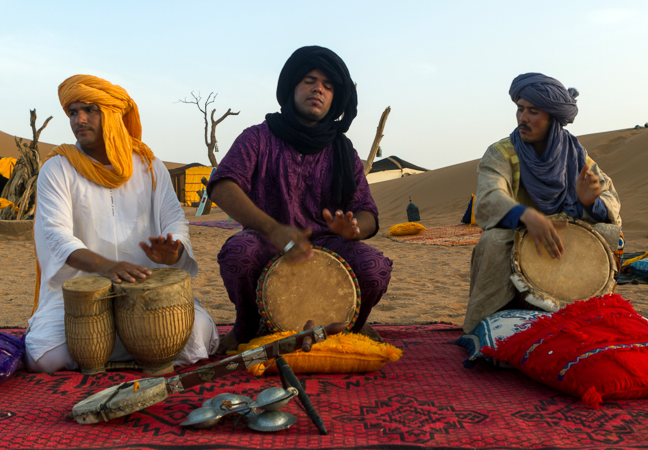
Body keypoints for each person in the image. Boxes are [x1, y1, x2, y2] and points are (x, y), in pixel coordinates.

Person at [25, 75, 219, 372]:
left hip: (148, 290)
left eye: (90, 109)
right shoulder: (58, 168)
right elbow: (55, 235)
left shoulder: (149, 166)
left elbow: (175, 220)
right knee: (45, 355)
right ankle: (134, 355)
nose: (80, 119)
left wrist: (174, 252)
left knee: (196, 337)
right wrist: (106, 266)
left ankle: (111, 355)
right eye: (73, 112)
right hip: (81, 293)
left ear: (113, 116)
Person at [207, 46, 393, 351]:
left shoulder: (344, 152)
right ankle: (247, 330)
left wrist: (354, 228)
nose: (318, 88)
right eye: (309, 80)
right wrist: (273, 229)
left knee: (374, 266)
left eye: (328, 86)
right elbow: (223, 185)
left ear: (335, 100)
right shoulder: (258, 137)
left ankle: (346, 327)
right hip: (269, 243)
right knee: (238, 251)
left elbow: (367, 212)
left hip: (330, 246)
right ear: (292, 87)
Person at [463, 73, 622, 333]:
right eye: (520, 109)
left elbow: (610, 197)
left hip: (564, 235)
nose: (523, 118)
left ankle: (587, 316)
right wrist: (526, 216)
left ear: (553, 119)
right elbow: (490, 197)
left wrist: (591, 203)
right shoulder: (501, 153)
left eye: (533, 111)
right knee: (493, 241)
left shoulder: (576, 155)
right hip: (517, 232)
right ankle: (488, 325)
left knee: (611, 234)